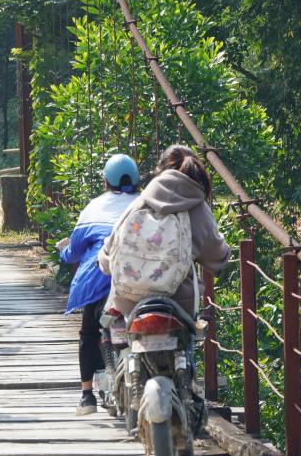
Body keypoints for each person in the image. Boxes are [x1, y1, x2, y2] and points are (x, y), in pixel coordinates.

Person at [98, 144, 230, 319]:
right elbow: (215, 258)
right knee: (189, 337)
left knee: (115, 327)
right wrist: (224, 253)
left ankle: (114, 339)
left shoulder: (142, 201)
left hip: (130, 303)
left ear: (159, 170)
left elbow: (110, 251)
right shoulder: (199, 209)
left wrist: (104, 261)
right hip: (179, 306)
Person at [55, 153, 140, 415]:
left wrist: (64, 252)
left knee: (89, 334)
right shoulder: (147, 203)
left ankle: (86, 396)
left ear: (105, 181)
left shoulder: (94, 207)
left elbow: (75, 251)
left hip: (99, 279)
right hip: (140, 277)